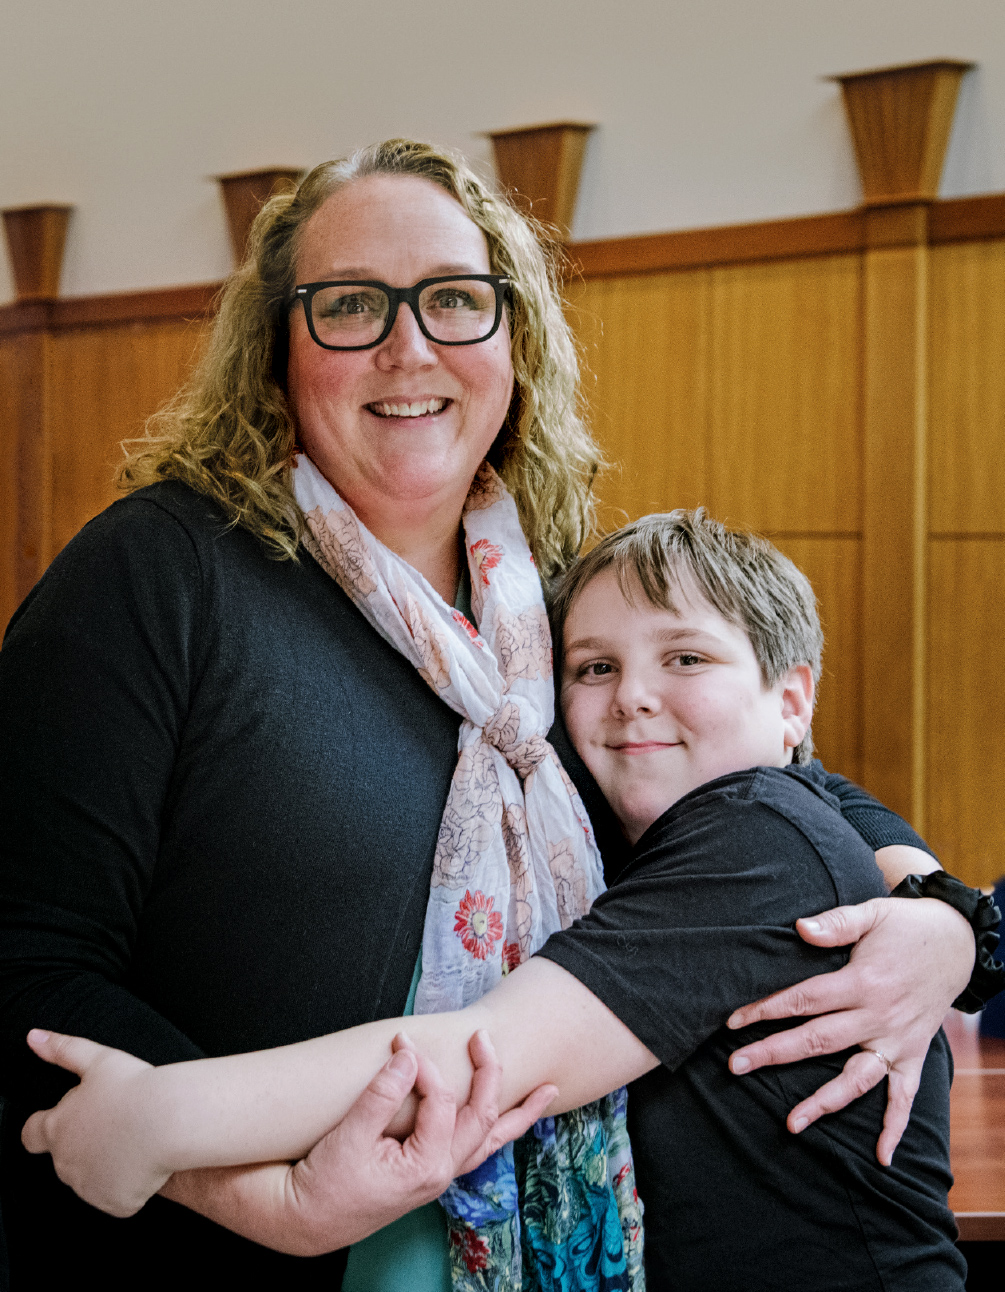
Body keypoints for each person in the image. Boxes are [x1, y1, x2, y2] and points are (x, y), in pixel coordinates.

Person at [0, 140, 981, 1290]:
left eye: (456, 300)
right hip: (211, 1258)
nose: (409, 346)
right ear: (276, 352)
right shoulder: (161, 574)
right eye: (351, 304)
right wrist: (270, 1200)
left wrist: (947, 924)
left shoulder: (555, 604)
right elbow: (27, 962)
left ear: (513, 341)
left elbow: (781, 778)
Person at [23, 510, 985, 1290]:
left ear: (791, 700)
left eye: (685, 659)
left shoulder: (757, 839)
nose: (632, 697)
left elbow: (485, 1053)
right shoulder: (641, 824)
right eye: (594, 668)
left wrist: (159, 1118)